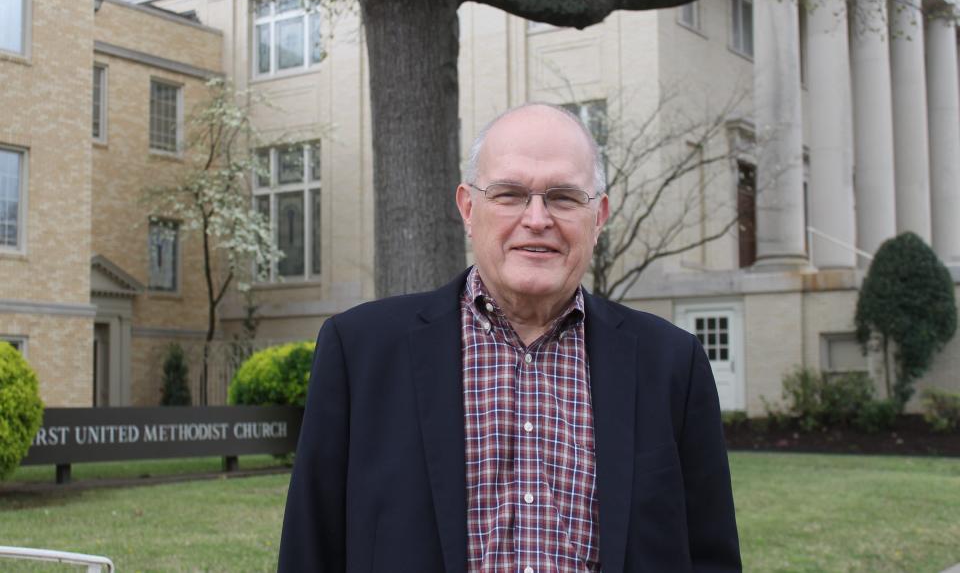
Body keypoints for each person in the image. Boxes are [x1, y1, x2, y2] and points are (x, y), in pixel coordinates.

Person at [278, 104, 741, 572]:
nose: (537, 219)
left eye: (563, 197)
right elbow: (310, 550)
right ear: (467, 207)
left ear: (598, 216)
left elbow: (710, 555)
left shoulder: (671, 365)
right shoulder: (359, 354)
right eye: (509, 194)